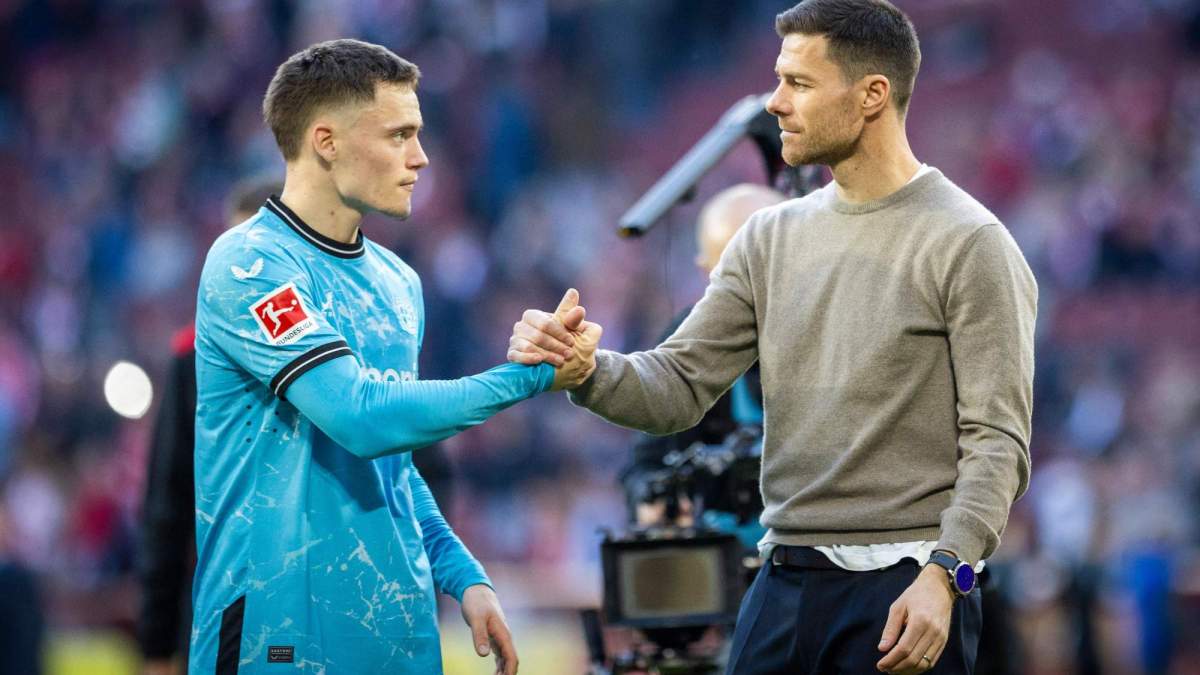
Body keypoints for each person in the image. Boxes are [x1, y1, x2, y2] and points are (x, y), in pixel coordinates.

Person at [507, 2, 1037, 673]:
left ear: (873, 95)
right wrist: (587, 369)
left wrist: (947, 574)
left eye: (800, 83)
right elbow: (677, 385)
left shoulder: (971, 242)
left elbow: (998, 441)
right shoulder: (768, 237)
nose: (777, 103)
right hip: (782, 582)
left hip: (907, 588)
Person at [189, 39, 590, 675]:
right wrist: (528, 378)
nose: (421, 156)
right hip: (279, 634)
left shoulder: (398, 283)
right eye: (399, 135)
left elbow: (394, 469)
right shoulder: (249, 264)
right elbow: (360, 416)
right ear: (326, 142)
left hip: (397, 637)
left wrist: (461, 572)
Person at [137, 178, 280, 675]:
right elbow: (168, 503)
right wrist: (157, 644)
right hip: (217, 611)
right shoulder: (193, 357)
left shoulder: (337, 356)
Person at [624, 184, 783, 529]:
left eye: (768, 263)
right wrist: (652, 501)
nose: (755, 285)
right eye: (733, 272)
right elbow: (647, 465)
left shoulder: (838, 323)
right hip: (732, 545)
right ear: (705, 271)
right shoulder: (688, 338)